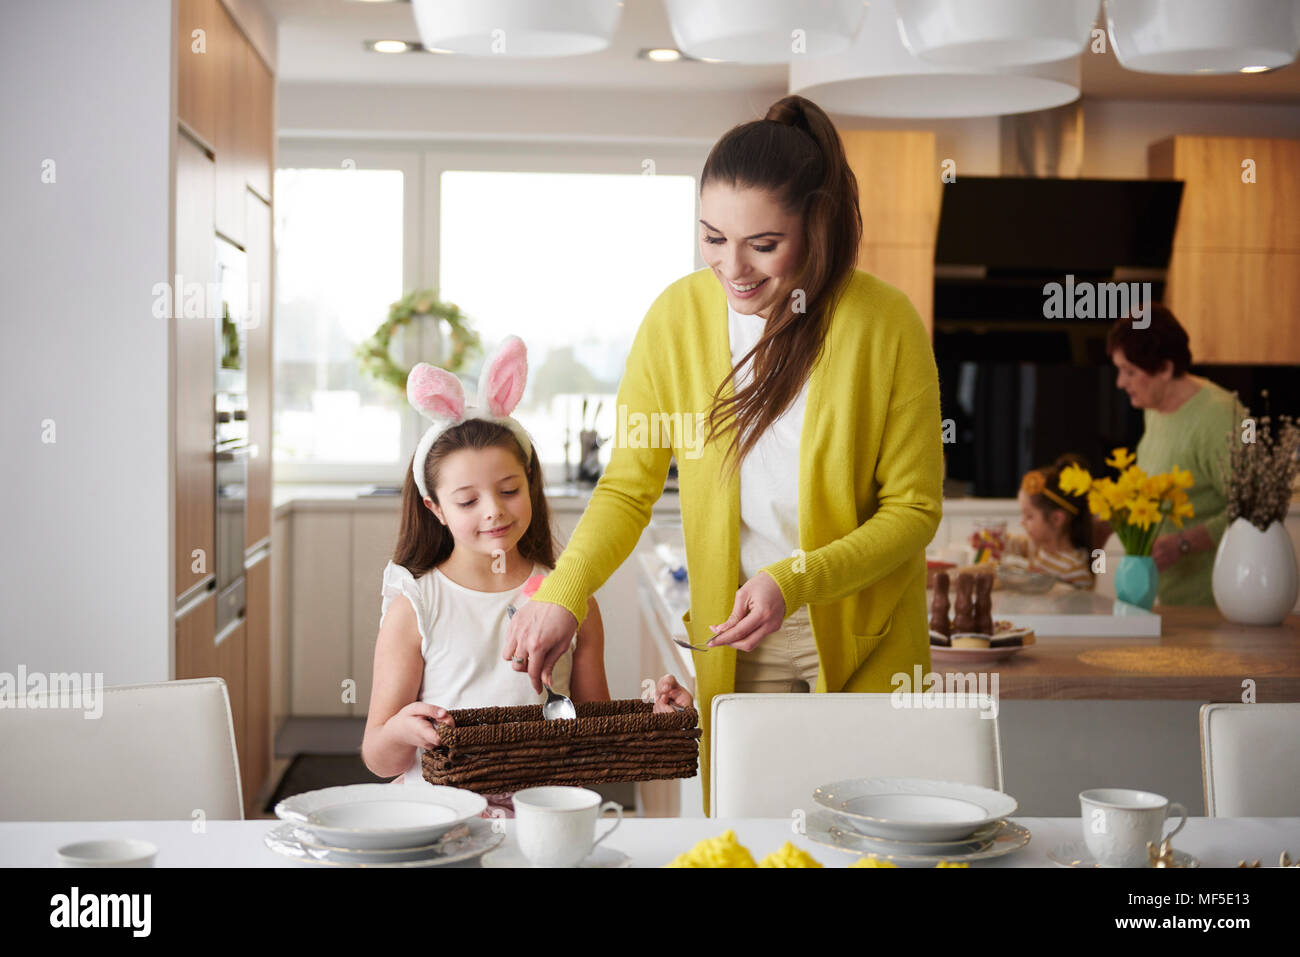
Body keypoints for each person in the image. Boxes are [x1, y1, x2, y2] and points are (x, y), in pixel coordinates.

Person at [505, 95, 944, 814]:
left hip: (869, 626)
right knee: (747, 833)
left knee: (876, 836)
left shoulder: (883, 323)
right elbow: (628, 488)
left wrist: (794, 579)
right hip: (737, 632)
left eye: (763, 245)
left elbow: (915, 509)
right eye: (712, 238)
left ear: (818, 227)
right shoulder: (676, 322)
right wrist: (564, 591)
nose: (731, 268)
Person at [361, 337, 690, 818]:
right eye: (468, 501)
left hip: (543, 818)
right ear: (435, 509)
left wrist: (657, 720)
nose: (494, 512)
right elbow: (377, 756)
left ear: (530, 484)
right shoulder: (416, 604)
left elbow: (592, 740)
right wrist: (401, 731)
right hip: (441, 818)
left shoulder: (569, 599)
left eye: (509, 490)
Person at [1104, 304, 1245, 605]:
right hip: (1171, 600)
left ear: (1165, 369)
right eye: (1119, 370)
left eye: (1129, 371)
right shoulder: (1155, 410)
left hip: (1216, 605)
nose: (1120, 383)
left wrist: (1184, 544)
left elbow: (1252, 509)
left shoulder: (1221, 418)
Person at [1009, 455, 1095, 589]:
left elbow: (1081, 607)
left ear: (1056, 519)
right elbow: (1009, 543)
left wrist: (1051, 585)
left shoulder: (1075, 570)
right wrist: (993, 538)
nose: (1022, 522)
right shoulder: (1037, 547)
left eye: (1029, 516)